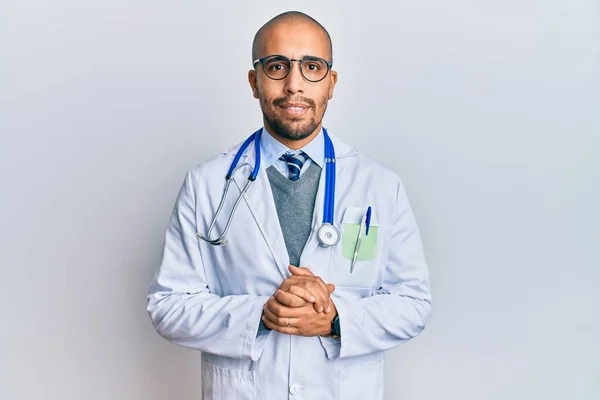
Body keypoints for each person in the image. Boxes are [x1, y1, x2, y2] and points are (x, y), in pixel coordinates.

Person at [147, 10, 431, 400]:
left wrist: (335, 319)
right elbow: (168, 306)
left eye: (312, 67)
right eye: (277, 66)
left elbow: (413, 303)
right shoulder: (207, 184)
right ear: (254, 81)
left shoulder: (380, 185)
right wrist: (260, 315)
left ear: (331, 84)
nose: (294, 85)